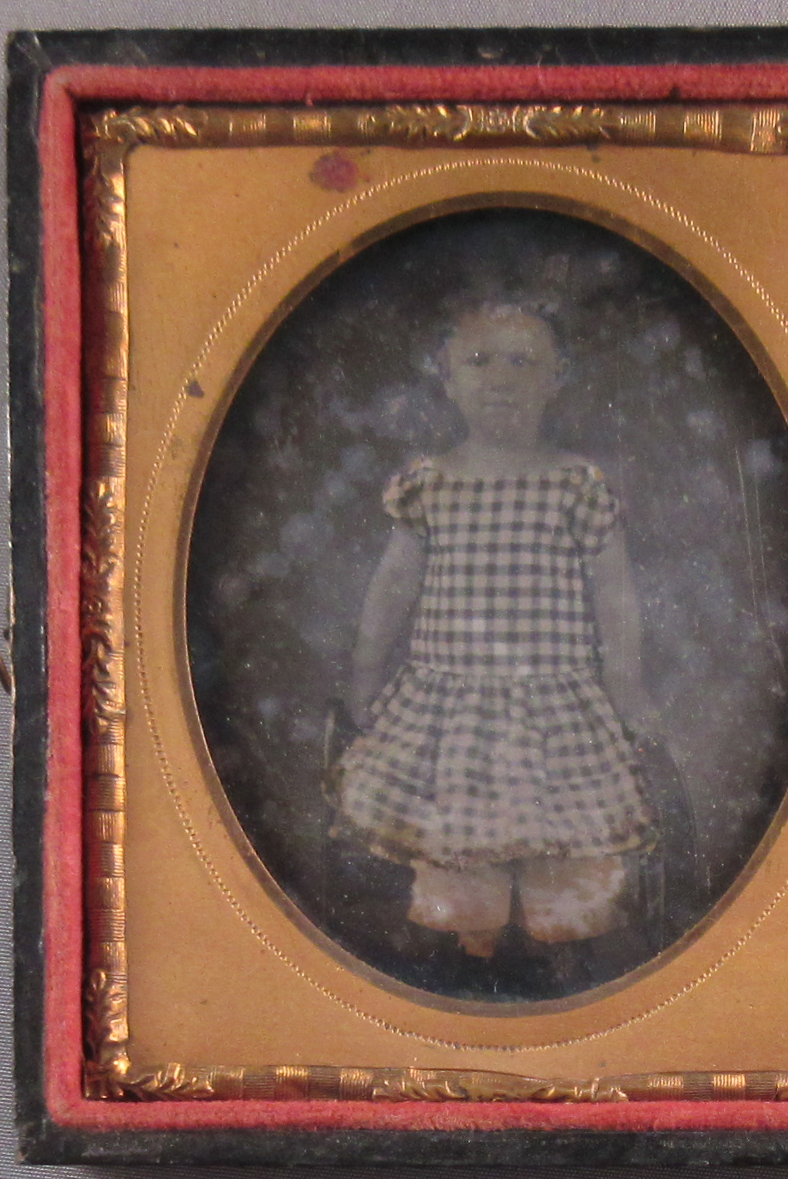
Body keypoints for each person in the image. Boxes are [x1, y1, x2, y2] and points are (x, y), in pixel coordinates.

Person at [330, 302, 661, 962]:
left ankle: (562, 970)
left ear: (556, 377)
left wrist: (625, 682)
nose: (501, 377)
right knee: (456, 855)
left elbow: (615, 593)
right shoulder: (430, 484)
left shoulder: (576, 484)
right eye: (480, 361)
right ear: (447, 377)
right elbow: (392, 588)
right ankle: (470, 964)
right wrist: (366, 672)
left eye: (522, 361)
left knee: (565, 861)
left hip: (553, 704)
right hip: (451, 709)